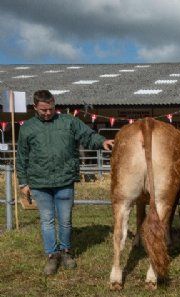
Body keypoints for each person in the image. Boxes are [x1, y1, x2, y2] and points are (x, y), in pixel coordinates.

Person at [17, 90, 114, 275]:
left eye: (51, 108)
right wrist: (23, 183)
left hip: (65, 179)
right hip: (39, 182)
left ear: (55, 105)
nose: (48, 113)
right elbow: (22, 158)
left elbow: (88, 135)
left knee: (66, 220)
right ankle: (52, 256)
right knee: (47, 220)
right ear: (35, 107)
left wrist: (102, 142)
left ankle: (66, 251)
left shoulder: (69, 122)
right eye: (44, 110)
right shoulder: (27, 128)